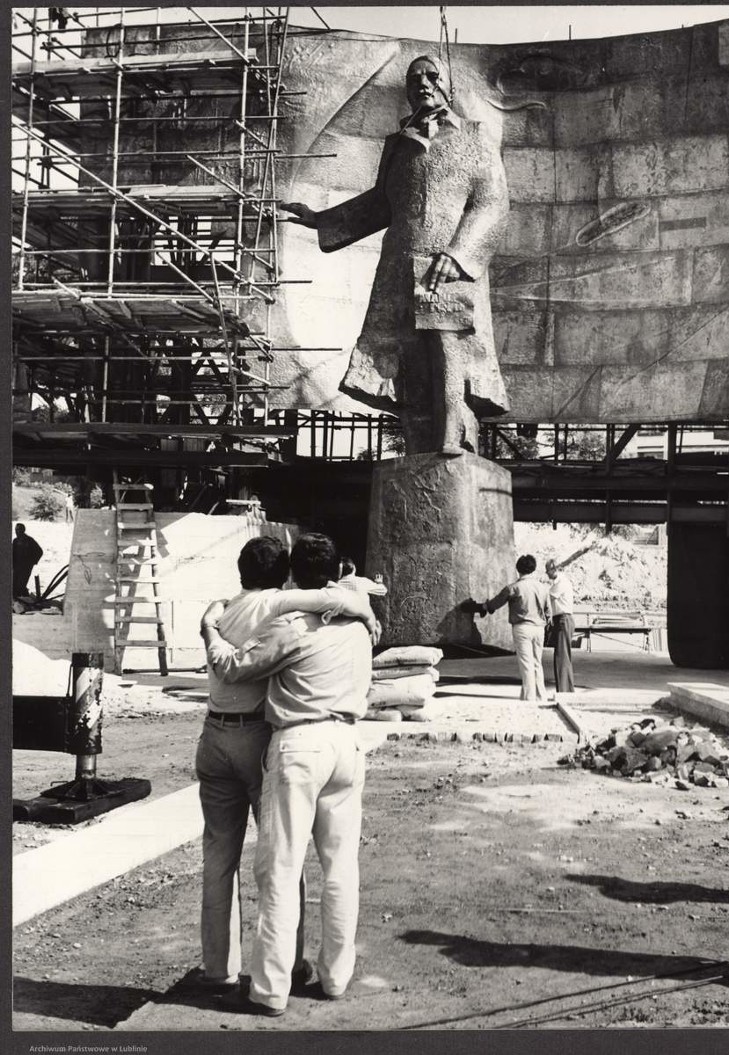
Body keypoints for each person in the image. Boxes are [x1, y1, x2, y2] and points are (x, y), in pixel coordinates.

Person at [282, 55, 509, 456]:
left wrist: (457, 255)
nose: (422, 83)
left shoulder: (475, 137)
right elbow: (381, 205)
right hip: (399, 261)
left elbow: (492, 204)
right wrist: (320, 220)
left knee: (447, 348)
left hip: (447, 266)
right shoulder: (398, 145)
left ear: (448, 85)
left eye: (431, 75)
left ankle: (455, 437)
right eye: (414, 77)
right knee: (406, 358)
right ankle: (419, 447)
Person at [193, 537, 377, 995]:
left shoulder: (259, 615)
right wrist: (366, 608)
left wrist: (209, 630)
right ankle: (326, 975)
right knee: (338, 867)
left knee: (263, 861)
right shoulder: (352, 627)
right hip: (338, 742)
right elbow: (338, 597)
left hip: (256, 739)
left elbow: (233, 667)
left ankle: (243, 977)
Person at [475, 555, 552, 701]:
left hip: (522, 628)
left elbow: (495, 604)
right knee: (537, 663)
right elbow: (549, 612)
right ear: (533, 568)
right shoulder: (543, 588)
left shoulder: (513, 588)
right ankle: (541, 696)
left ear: (518, 569)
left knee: (526, 664)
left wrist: (483, 606)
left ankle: (529, 698)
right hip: (539, 628)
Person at [545, 558, 576, 694]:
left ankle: (564, 691)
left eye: (548, 571)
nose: (547, 574)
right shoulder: (560, 582)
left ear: (554, 569)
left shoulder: (561, 582)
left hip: (563, 619)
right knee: (562, 656)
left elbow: (547, 597)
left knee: (562, 657)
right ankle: (565, 689)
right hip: (561, 619)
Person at [12, 523, 43, 599]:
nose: (17, 532)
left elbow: (39, 551)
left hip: (26, 567)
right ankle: (19, 601)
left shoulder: (29, 540)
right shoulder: (15, 541)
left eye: (19, 530)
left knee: (21, 584)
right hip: (16, 567)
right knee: (14, 585)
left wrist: (33, 562)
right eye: (16, 530)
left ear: (23, 530)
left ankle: (24, 600)